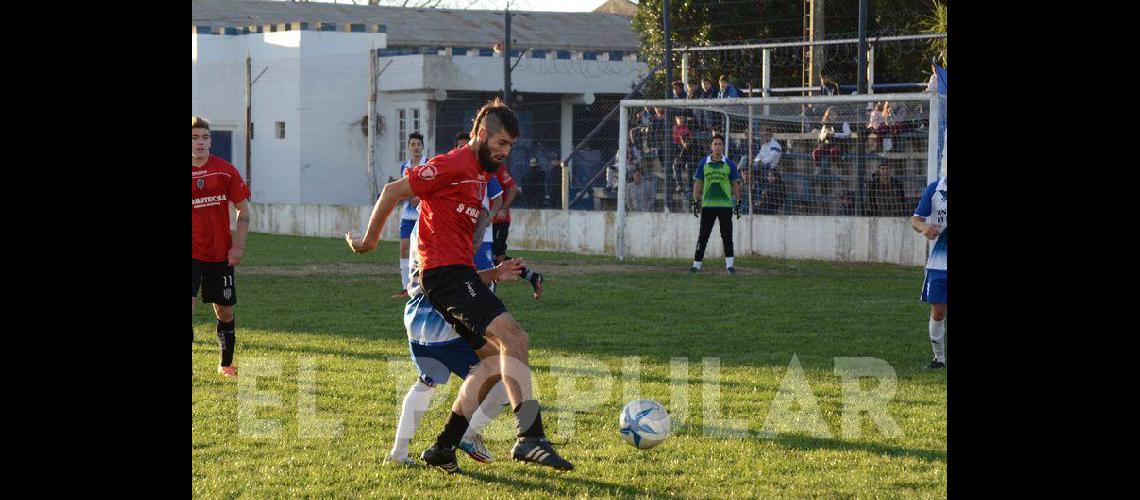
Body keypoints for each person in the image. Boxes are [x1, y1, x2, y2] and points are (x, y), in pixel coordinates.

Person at [345, 98, 572, 473]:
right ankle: (530, 437)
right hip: (444, 276)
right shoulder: (451, 164)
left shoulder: (482, 175)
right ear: (481, 134)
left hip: (456, 276)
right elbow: (392, 192)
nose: (505, 153)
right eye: (501, 144)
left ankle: (444, 447)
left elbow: (459, 250)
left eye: (510, 147)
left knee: (492, 366)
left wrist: (493, 273)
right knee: (515, 339)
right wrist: (368, 242)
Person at [387, 177, 512, 467]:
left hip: (415, 317)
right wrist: (496, 272)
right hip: (442, 317)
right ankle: (466, 435)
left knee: (426, 382)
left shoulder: (425, 220)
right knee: (504, 374)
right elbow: (455, 281)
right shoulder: (445, 225)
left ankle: (398, 453)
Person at [192, 116, 252, 379]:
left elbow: (243, 211)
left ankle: (225, 364)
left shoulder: (226, 170)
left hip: (220, 253)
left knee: (224, 311)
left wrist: (238, 245)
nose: (200, 142)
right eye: (194, 138)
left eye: (204, 137)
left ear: (211, 141)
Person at [910, 144, 947, 370]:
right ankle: (939, 358)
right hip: (940, 263)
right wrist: (923, 227)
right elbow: (915, 219)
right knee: (938, 310)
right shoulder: (935, 189)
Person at [690, 133, 743, 276]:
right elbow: (698, 183)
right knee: (703, 236)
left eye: (720, 144)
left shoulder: (729, 164)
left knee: (727, 236)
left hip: (725, 206)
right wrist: (695, 201)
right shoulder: (704, 163)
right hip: (708, 205)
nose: (718, 146)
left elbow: (736, 184)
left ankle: (730, 266)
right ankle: (696, 265)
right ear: (711, 146)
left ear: (723, 146)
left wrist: (738, 203)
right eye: (715, 144)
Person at [395, 132, 428, 298]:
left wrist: (420, 197)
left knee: (421, 250)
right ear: (408, 147)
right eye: (413, 144)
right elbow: (402, 188)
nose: (416, 147)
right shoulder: (405, 166)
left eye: (418, 144)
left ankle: (421, 285)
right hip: (407, 215)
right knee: (404, 246)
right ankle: (405, 286)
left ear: (423, 147)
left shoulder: (428, 164)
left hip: (423, 214)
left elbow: (434, 187)